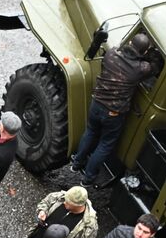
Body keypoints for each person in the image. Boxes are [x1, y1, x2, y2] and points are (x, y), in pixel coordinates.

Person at [67, 33, 159, 184]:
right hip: (113, 113)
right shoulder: (140, 69)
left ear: (130, 42)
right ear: (143, 52)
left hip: (96, 103)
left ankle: (76, 164)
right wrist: (152, 53)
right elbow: (155, 67)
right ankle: (88, 177)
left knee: (90, 132)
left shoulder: (111, 54)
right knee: (105, 144)